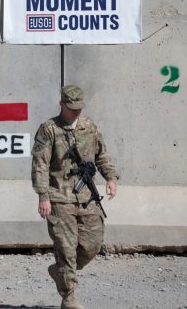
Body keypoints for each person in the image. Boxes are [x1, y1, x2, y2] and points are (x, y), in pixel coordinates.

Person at [31, 85, 119, 309]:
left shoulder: (90, 127)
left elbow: (102, 155)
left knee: (92, 245)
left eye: (79, 107)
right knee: (66, 249)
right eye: (71, 108)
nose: (76, 112)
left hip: (87, 196)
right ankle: (69, 297)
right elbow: (40, 165)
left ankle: (59, 271)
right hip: (59, 197)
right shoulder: (48, 129)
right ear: (61, 104)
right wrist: (43, 196)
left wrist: (111, 178)